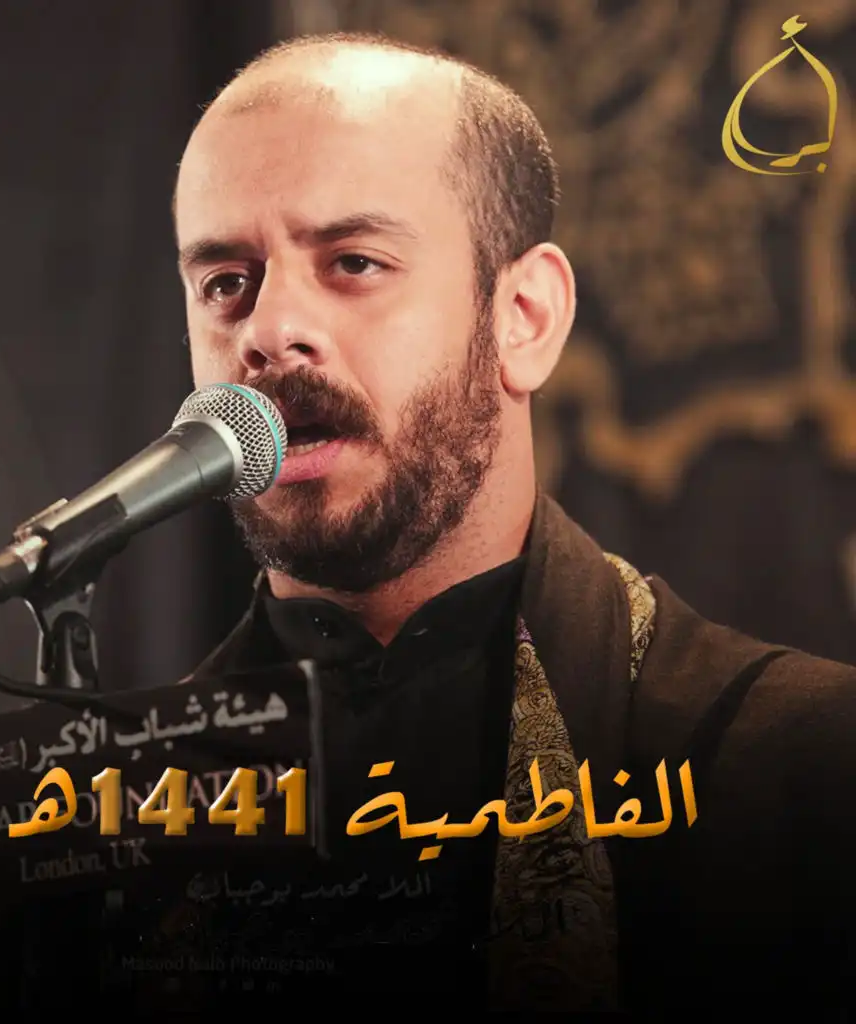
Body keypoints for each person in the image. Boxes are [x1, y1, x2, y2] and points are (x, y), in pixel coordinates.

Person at [154, 30, 856, 1011]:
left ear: (523, 317)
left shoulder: (805, 768)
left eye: (353, 261)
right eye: (225, 282)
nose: (267, 332)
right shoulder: (105, 822)